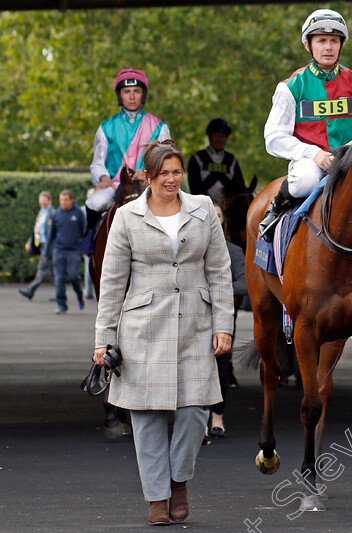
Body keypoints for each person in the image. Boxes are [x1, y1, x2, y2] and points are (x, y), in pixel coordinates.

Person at [92, 140, 233, 526]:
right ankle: (157, 497)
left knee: (195, 410)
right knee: (147, 416)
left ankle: (178, 479)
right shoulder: (125, 216)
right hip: (143, 328)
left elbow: (220, 271)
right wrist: (104, 339)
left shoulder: (202, 209)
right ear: (149, 177)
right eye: (163, 173)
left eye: (176, 172)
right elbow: (113, 281)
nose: (171, 179)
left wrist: (224, 325)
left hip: (195, 324)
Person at [259, 8, 352, 239]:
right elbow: (273, 138)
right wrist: (314, 154)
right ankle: (276, 209)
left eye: (334, 41)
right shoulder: (290, 87)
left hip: (350, 160)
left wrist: (346, 152)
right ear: (308, 45)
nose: (328, 47)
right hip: (309, 162)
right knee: (305, 181)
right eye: (321, 40)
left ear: (341, 45)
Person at [85, 68, 171, 234]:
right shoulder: (106, 127)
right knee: (95, 203)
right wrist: (103, 178)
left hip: (149, 184)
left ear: (143, 94)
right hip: (115, 184)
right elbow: (97, 164)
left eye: (136, 91)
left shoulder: (160, 127)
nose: (131, 97)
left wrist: (148, 172)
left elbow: (167, 163)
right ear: (120, 95)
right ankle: (88, 246)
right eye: (126, 92)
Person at [206, 200, 247, 441]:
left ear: (223, 220)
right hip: (194, 317)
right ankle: (198, 418)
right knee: (195, 369)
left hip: (223, 318)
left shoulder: (234, 251)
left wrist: (218, 288)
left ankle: (217, 418)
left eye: (218, 214)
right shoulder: (190, 248)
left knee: (221, 369)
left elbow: (245, 285)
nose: (214, 217)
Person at [188, 119, 247, 206]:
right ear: (210, 136)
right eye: (216, 135)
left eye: (222, 136)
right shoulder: (198, 158)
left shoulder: (231, 160)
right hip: (202, 208)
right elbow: (194, 187)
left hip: (228, 211)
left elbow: (239, 188)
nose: (219, 139)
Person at [47, 190, 86, 314]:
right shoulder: (57, 214)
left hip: (74, 251)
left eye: (65, 200)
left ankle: (80, 296)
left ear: (71, 200)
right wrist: (46, 252)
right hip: (59, 251)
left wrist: (85, 249)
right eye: (61, 200)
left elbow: (84, 232)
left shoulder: (78, 214)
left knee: (73, 276)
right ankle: (62, 305)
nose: (63, 202)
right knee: (59, 279)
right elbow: (51, 234)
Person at [19, 191, 55, 300]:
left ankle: (30, 290)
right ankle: (59, 294)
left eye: (44, 202)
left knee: (42, 268)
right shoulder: (41, 212)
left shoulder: (53, 213)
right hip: (42, 245)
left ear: (50, 201)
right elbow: (37, 228)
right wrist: (30, 241)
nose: (42, 204)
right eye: (41, 202)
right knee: (53, 271)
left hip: (49, 246)